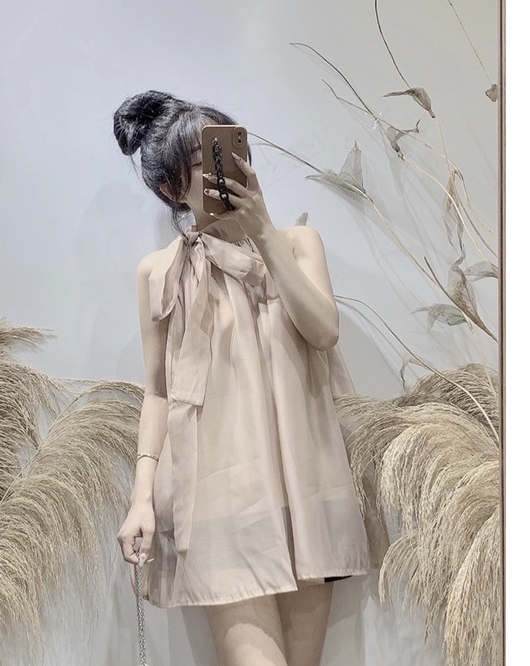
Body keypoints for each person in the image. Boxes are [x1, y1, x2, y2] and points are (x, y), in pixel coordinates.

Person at [114, 90, 373, 666]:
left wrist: (264, 233)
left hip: (306, 487)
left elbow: (323, 332)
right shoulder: (160, 273)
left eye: (229, 151)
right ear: (171, 188)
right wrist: (140, 499)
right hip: (220, 499)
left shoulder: (298, 245)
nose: (222, 170)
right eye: (202, 162)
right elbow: (158, 392)